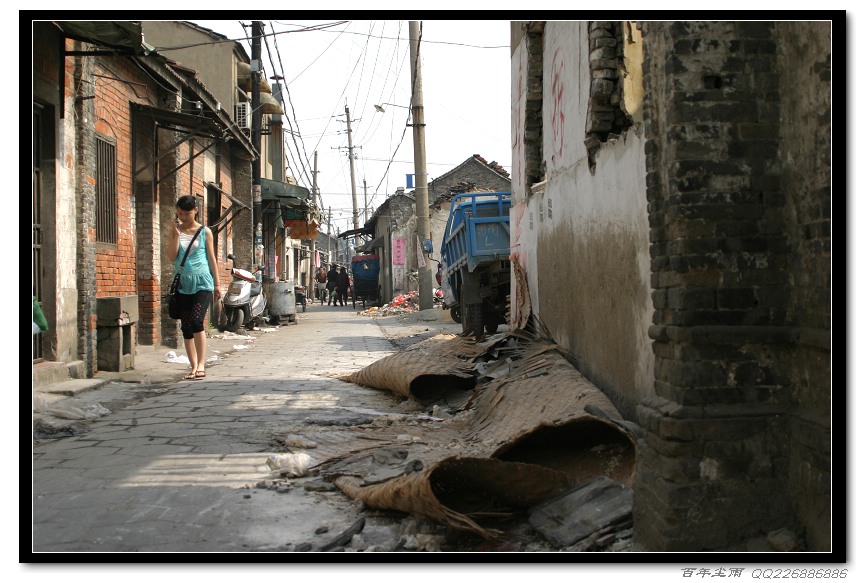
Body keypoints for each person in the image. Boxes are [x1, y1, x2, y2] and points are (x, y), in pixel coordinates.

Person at [167, 195, 221, 380]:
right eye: (180, 213)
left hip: (203, 282)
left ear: (196, 211)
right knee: (186, 326)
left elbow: (212, 258)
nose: (183, 216)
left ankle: (201, 364)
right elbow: (172, 257)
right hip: (183, 283)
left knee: (197, 321)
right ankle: (192, 366)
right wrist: (174, 234)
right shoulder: (176, 230)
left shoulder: (205, 232)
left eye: (187, 213)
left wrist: (217, 283)